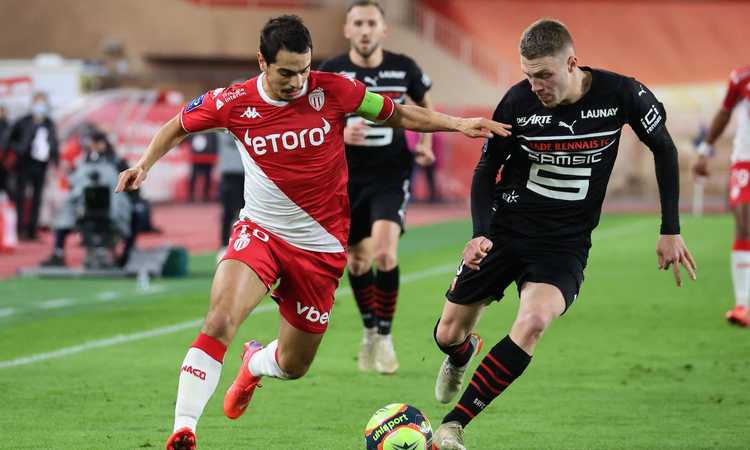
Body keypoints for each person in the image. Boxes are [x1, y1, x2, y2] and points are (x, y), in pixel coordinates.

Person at [114, 15, 510, 450]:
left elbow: (395, 113)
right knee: (220, 319)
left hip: (320, 247)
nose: (297, 81)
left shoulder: (332, 89)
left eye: (304, 69)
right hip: (260, 231)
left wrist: (457, 123)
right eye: (286, 72)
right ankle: (183, 428)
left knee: (294, 364)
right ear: (262, 61)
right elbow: (178, 125)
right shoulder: (232, 101)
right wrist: (143, 164)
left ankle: (255, 364)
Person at [430, 19, 697, 449]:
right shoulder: (517, 103)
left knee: (534, 320)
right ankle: (461, 353)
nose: (535, 85)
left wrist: (670, 229)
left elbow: (664, 148)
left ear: (571, 63)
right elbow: (485, 170)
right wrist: (479, 233)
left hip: (564, 244)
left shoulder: (622, 93)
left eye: (544, 75)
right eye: (528, 75)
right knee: (447, 334)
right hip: (506, 229)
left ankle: (453, 425)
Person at [318, 0, 436, 374]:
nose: (365, 30)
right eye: (358, 23)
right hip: (347, 178)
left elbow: (424, 101)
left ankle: (385, 337)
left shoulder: (404, 67)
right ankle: (369, 329)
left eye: (372, 23)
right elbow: (313, 119)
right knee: (357, 260)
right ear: (347, 30)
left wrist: (428, 143)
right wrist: (341, 131)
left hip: (391, 173)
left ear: (384, 29)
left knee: (385, 254)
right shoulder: (332, 71)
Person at [693, 65, 750, 327]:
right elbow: (725, 112)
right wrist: (706, 149)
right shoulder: (741, 78)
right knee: (744, 222)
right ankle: (743, 305)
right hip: (745, 161)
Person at [41, 130, 131, 267]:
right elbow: (76, 182)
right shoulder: (82, 161)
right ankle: (58, 253)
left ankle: (126, 255)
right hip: (82, 204)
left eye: (97, 143)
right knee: (63, 216)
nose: (94, 147)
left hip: (112, 203)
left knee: (134, 212)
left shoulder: (116, 161)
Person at [2, 92, 58, 240]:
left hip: (41, 164)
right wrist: (18, 149)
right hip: (24, 163)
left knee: (37, 198)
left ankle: (32, 230)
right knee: (20, 196)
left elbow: (54, 143)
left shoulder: (49, 123)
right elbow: (8, 139)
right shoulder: (23, 121)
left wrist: (55, 159)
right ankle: (20, 229)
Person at [187, 132, 217, 202]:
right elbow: (188, 139)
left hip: (208, 157)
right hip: (196, 158)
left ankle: (206, 196)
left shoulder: (212, 132)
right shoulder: (194, 130)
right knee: (193, 177)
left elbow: (215, 143)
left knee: (207, 177)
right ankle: (191, 196)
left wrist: (214, 154)